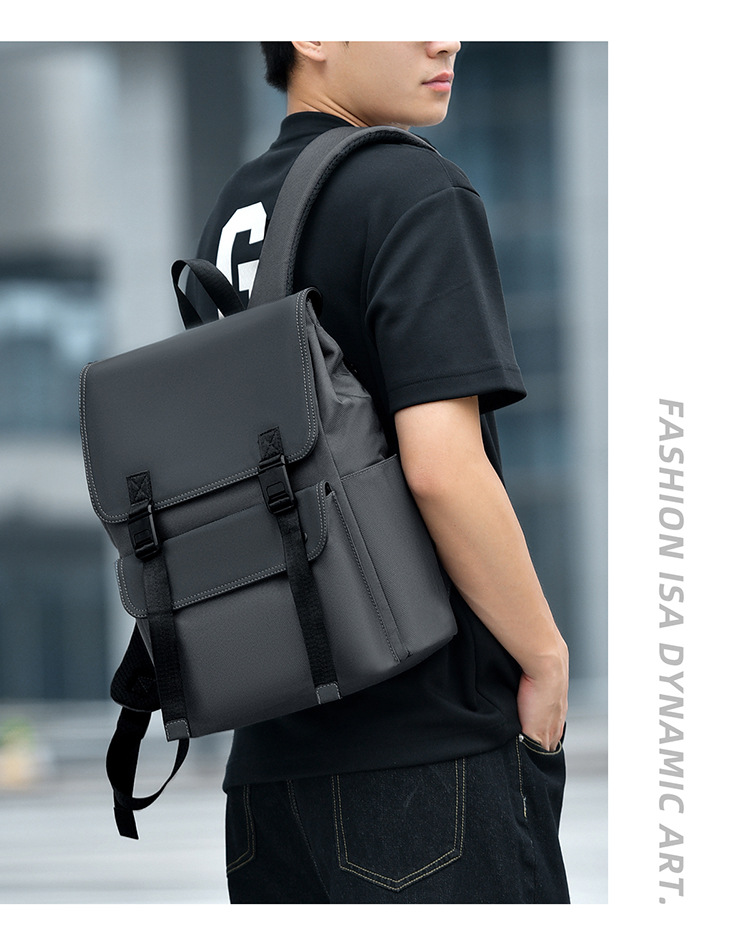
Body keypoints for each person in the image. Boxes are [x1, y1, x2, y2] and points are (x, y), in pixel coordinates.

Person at [195, 40, 570, 904]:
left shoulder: (237, 209)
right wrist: (545, 655)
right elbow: (442, 467)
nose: (447, 38)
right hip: (427, 753)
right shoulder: (411, 187)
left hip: (271, 767)